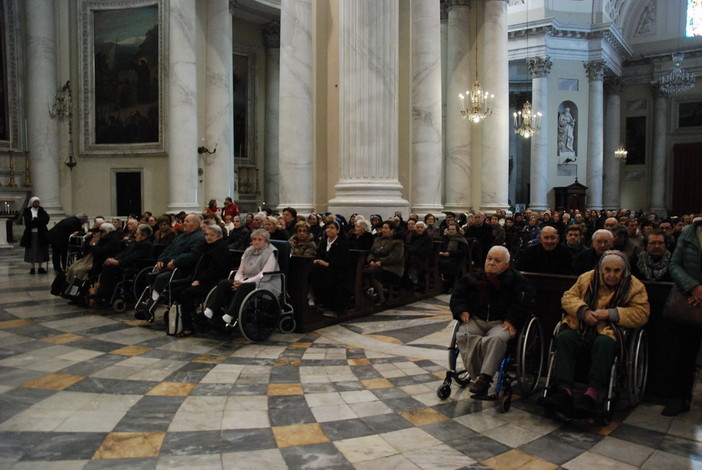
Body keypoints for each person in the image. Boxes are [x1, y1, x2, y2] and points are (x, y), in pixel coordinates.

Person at [542, 251, 649, 419]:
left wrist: (610, 314)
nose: (611, 275)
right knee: (564, 338)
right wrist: (583, 311)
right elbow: (568, 297)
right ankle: (565, 390)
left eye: (617, 271)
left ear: (624, 271)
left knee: (605, 343)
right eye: (607, 270)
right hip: (582, 325)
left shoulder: (635, 287)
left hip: (609, 329)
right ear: (600, 269)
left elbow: (641, 313)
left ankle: (592, 393)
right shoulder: (587, 278)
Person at [450, 246, 534, 395]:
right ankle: (477, 375)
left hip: (501, 322)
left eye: (497, 260)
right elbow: (458, 295)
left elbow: (523, 302)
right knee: (464, 335)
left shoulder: (517, 280)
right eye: (489, 259)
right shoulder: (473, 277)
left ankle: (485, 378)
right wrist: (462, 310)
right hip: (476, 319)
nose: (491, 263)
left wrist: (512, 320)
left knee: (496, 339)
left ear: (506, 265)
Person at [662, 217, 702, 416]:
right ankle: (679, 397)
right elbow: (675, 264)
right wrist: (694, 287)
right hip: (690, 301)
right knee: (684, 353)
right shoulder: (689, 233)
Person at [203, 229, 280, 328]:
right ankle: (211, 310)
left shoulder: (270, 253)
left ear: (266, 241)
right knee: (224, 283)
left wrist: (243, 283)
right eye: (254, 239)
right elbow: (240, 270)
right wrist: (237, 281)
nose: (256, 241)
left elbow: (265, 274)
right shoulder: (249, 250)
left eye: (260, 239)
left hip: (265, 283)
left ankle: (230, 316)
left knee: (244, 287)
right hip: (245, 280)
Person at [135, 213, 205, 321]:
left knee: (161, 278)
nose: (183, 223)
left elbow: (192, 256)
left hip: (183, 270)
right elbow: (168, 249)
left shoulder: (199, 238)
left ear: (195, 224)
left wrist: (175, 262)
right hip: (169, 266)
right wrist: (161, 260)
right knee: (151, 275)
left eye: (187, 221)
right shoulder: (181, 236)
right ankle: (148, 302)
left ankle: (149, 309)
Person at [172, 225, 232, 337]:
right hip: (198, 278)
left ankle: (189, 325)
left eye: (211, 235)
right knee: (174, 287)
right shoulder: (205, 247)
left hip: (213, 282)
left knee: (186, 293)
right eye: (206, 234)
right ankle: (187, 317)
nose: (207, 237)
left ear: (219, 236)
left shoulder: (221, 249)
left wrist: (200, 280)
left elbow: (215, 270)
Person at [93, 224, 155, 305]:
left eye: (137, 233)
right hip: (125, 263)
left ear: (144, 235)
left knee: (109, 269)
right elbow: (124, 253)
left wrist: (118, 262)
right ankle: (102, 294)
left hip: (134, 266)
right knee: (106, 266)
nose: (135, 234)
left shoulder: (146, 245)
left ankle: (105, 295)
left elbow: (134, 257)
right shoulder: (134, 242)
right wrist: (114, 259)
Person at [310, 220, 352, 317]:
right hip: (323, 268)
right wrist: (317, 260)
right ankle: (316, 299)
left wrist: (327, 264)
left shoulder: (342, 243)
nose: (329, 230)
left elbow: (343, 261)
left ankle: (331, 307)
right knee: (314, 270)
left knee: (322, 273)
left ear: (338, 231)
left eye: (332, 228)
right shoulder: (324, 242)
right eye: (327, 228)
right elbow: (318, 254)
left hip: (338, 271)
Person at [362, 219, 404, 306]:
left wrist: (380, 262)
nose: (383, 230)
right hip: (376, 266)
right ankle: (369, 292)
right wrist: (371, 260)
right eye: (382, 228)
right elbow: (371, 252)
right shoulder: (377, 239)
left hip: (392, 268)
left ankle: (381, 298)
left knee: (374, 274)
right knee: (361, 272)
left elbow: (395, 257)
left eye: (385, 228)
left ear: (392, 230)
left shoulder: (397, 242)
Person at [20, 197, 50, 274]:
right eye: (35, 202)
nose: (36, 204)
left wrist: (36, 221)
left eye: (37, 202)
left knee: (40, 250)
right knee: (32, 251)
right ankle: (32, 267)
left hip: (40, 234)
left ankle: (40, 267)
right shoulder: (27, 211)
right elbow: (27, 222)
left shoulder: (42, 211)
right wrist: (34, 221)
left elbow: (45, 220)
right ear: (32, 203)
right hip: (31, 234)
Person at [439, 223, 469, 292]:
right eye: (449, 229)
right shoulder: (445, 238)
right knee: (438, 262)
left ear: (457, 230)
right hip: (444, 257)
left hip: (456, 258)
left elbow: (463, 252)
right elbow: (442, 247)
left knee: (447, 264)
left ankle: (449, 285)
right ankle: (441, 284)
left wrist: (450, 253)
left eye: (453, 229)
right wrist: (441, 252)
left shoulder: (461, 239)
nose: (451, 231)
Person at [404, 220, 433, 292]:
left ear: (424, 229)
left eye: (421, 227)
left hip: (423, 259)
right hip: (413, 257)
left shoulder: (427, 238)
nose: (419, 229)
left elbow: (426, 251)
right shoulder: (413, 236)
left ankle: (417, 282)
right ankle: (408, 283)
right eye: (417, 227)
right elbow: (409, 246)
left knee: (413, 260)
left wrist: (412, 250)